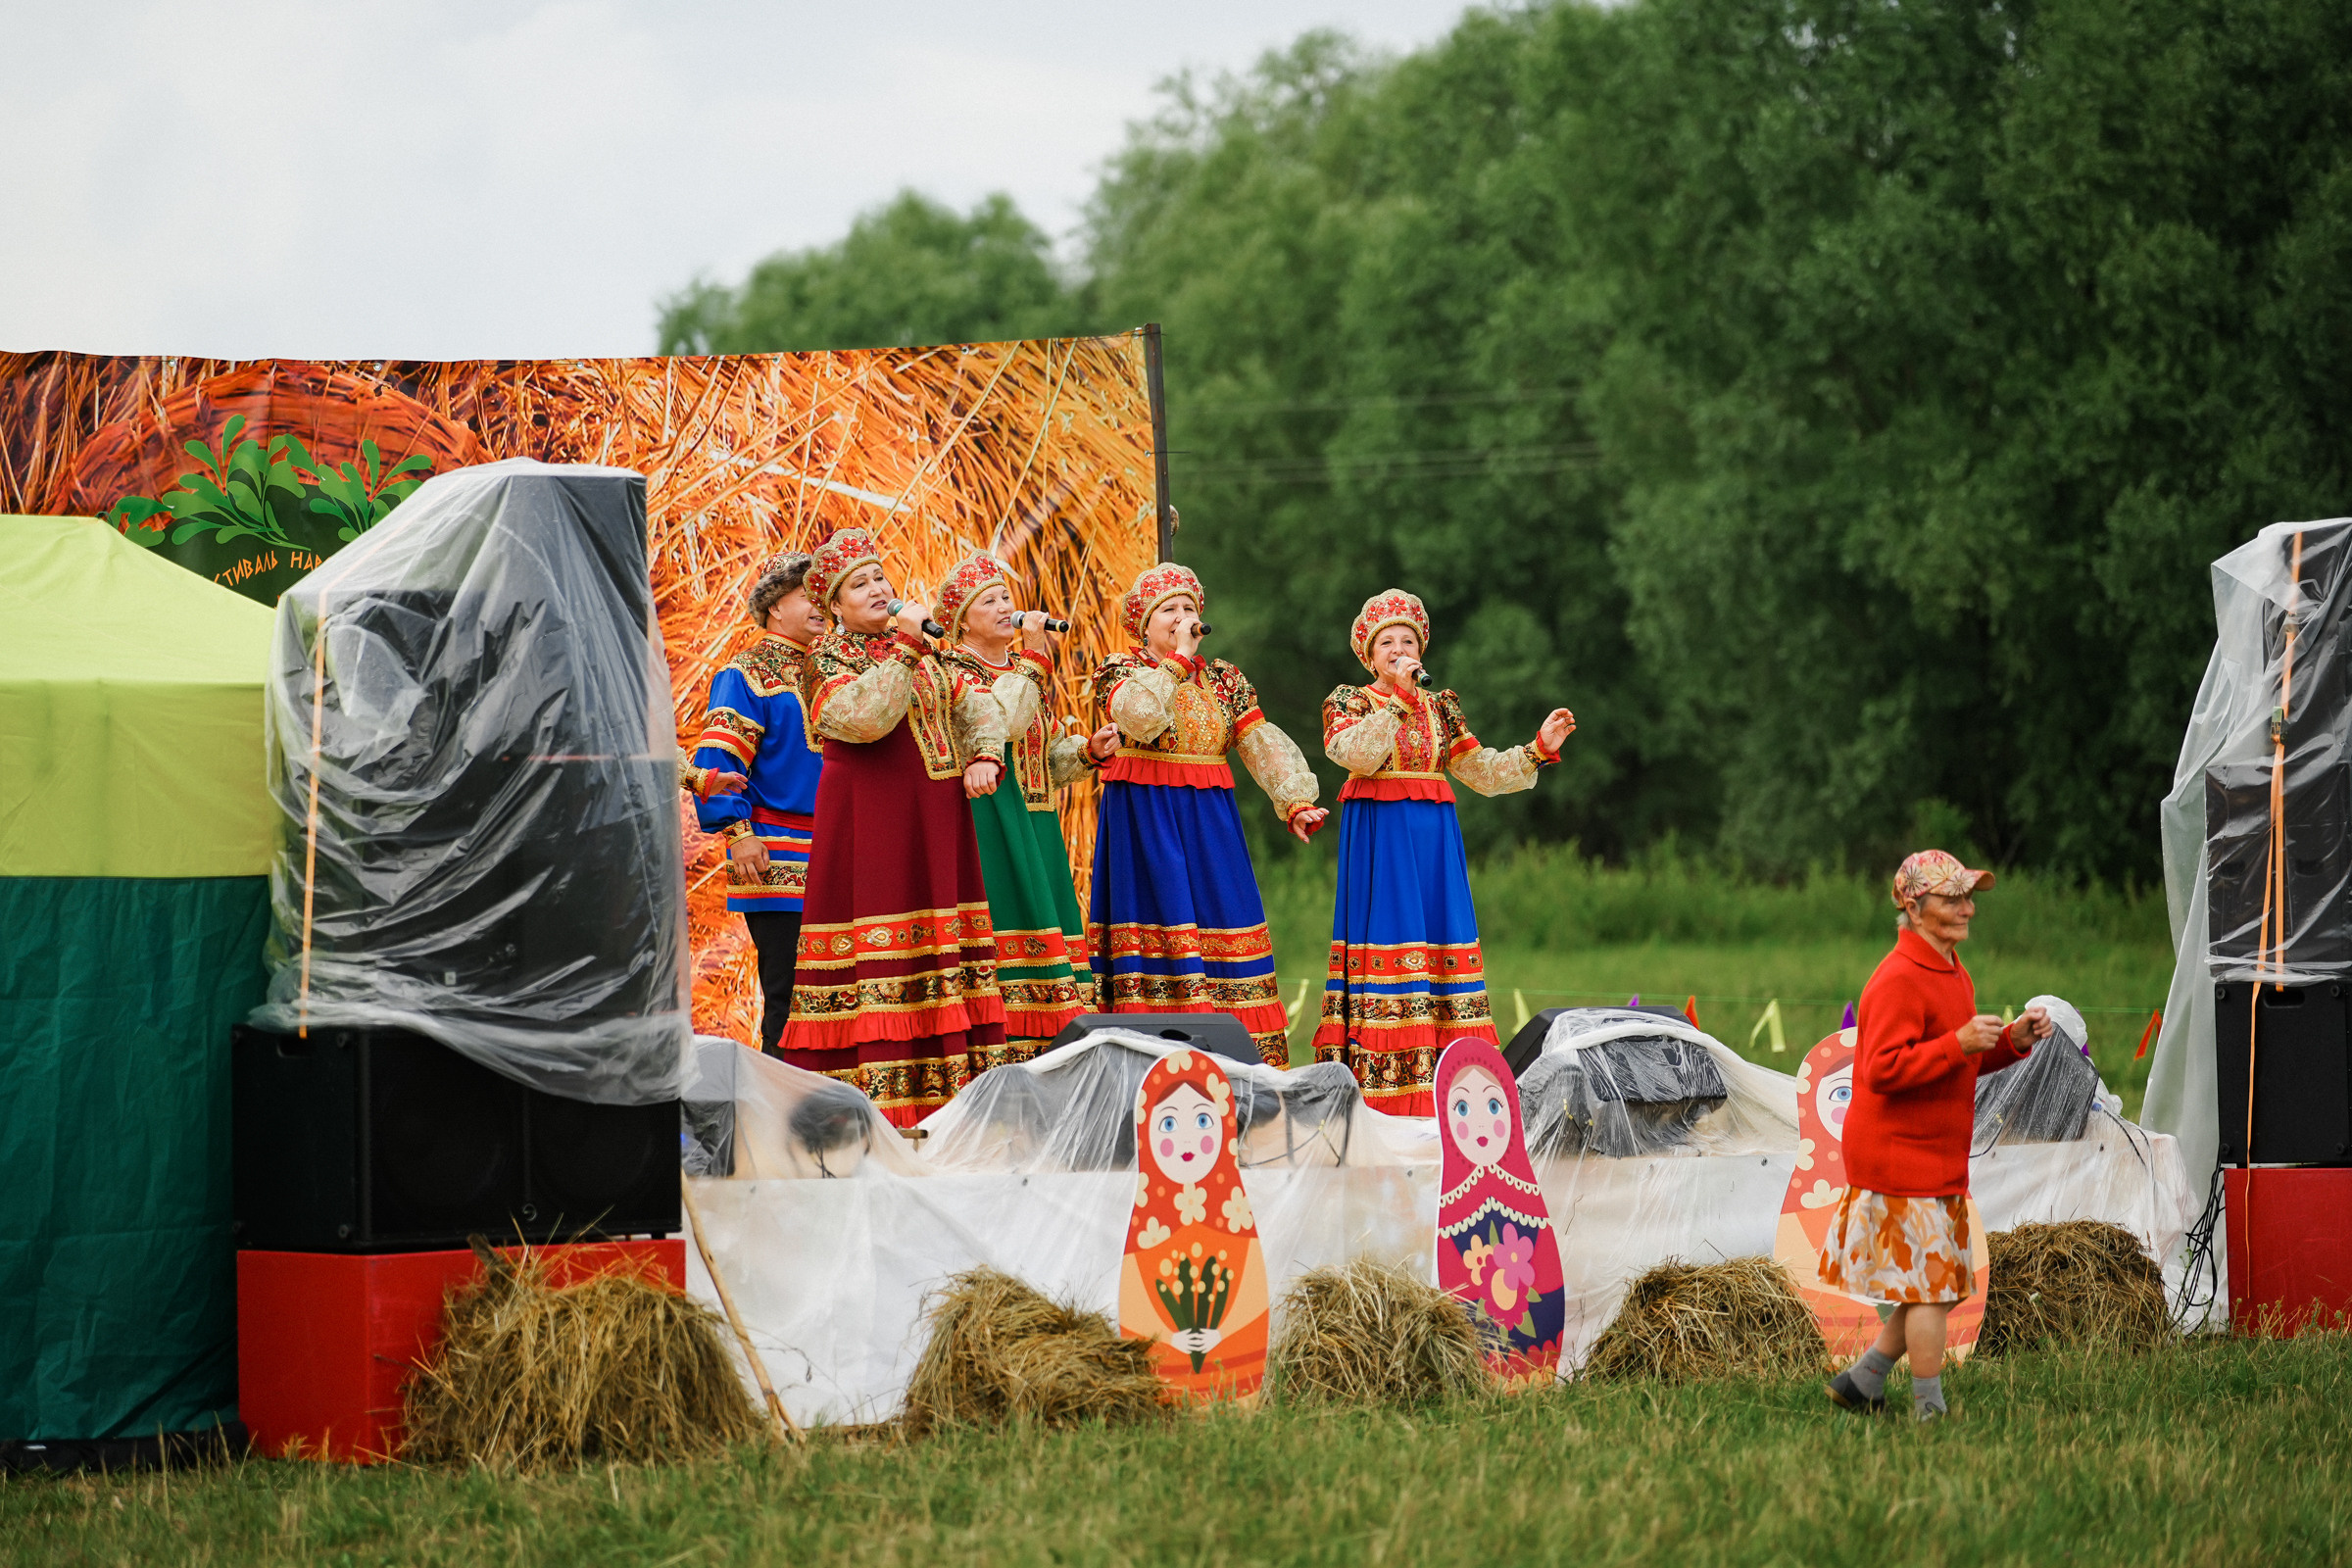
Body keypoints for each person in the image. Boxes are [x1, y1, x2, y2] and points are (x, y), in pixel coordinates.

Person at [779, 529, 1009, 1125]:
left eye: (880, 577)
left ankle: (950, 1108)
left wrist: (985, 751)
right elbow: (864, 720)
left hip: (936, 820)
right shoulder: (826, 659)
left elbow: (975, 700)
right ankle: (871, 1116)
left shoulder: (929, 652)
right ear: (834, 606)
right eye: (860, 584)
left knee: (941, 953)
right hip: (872, 822)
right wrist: (906, 649)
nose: (879, 589)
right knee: (879, 950)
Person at [1311, 590, 1575, 1113]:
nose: (1399, 648)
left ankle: (1452, 1090)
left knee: (1440, 949)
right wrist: (1397, 702)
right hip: (1383, 838)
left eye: (1408, 640)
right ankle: (1387, 1092)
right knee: (1392, 942)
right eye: (1386, 641)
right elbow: (1358, 755)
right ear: (1369, 654)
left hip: (1432, 841)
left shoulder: (1441, 707)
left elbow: (1479, 771)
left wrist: (1536, 750)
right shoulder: (1350, 702)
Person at [1822, 850, 2054, 1422]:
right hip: (1898, 1155)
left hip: (1936, 1155)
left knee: (1941, 1286)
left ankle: (1864, 1381)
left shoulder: (1952, 970)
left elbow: (1958, 1059)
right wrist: (1959, 1043)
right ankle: (1930, 1411)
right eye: (1953, 899)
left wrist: (2013, 1041)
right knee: (1930, 1290)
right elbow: (1880, 1070)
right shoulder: (1897, 979)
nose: (1968, 909)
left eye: (1968, 897)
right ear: (1916, 906)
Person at [1089, 563, 1327, 1068]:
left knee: (1228, 917)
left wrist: (1294, 799)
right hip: (1146, 818)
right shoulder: (1121, 669)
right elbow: (1142, 719)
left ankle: (1243, 1071)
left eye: (1189, 609)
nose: (1182, 617)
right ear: (1145, 624)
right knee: (1159, 925)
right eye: (1168, 610)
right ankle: (1153, 1063)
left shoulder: (1224, 679)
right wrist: (1175, 661)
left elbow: (1258, 740)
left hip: (1208, 818)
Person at [937, 551, 1119, 1061]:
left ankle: (1055, 1054)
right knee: (1005, 929)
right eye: (987, 600)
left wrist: (1085, 751)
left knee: (1050, 929)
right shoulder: (957, 672)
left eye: (1005, 597)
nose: (1004, 607)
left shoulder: (1022, 671)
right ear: (960, 620)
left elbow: (1040, 755)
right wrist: (1038, 654)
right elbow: (1003, 720)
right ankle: (1002, 1053)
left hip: (1037, 823)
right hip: (990, 822)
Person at [688, 552, 825, 1054]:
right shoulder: (747, 674)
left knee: (844, 995)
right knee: (788, 996)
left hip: (838, 848)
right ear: (774, 607)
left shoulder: (835, 671)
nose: (821, 606)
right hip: (777, 851)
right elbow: (719, 763)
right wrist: (738, 833)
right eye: (808, 595)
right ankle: (777, 1118)